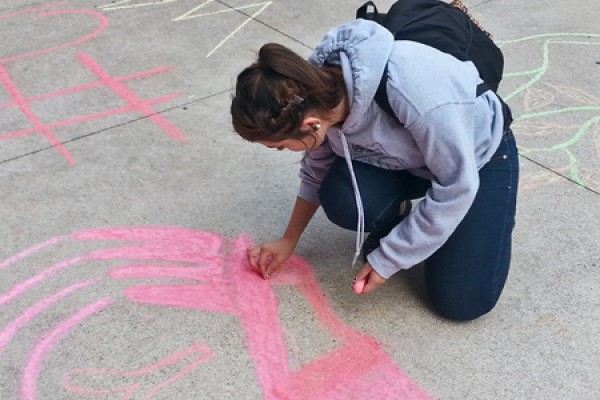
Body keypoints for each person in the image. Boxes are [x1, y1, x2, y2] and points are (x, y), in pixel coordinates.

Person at [230, 19, 519, 321]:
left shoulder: (411, 92)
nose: (281, 151)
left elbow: (457, 185)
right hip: (408, 158)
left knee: (462, 302)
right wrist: (288, 240)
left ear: (310, 126)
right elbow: (316, 172)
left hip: (477, 156)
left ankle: (487, 219)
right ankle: (402, 216)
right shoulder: (310, 101)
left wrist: (389, 258)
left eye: (279, 146)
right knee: (343, 198)